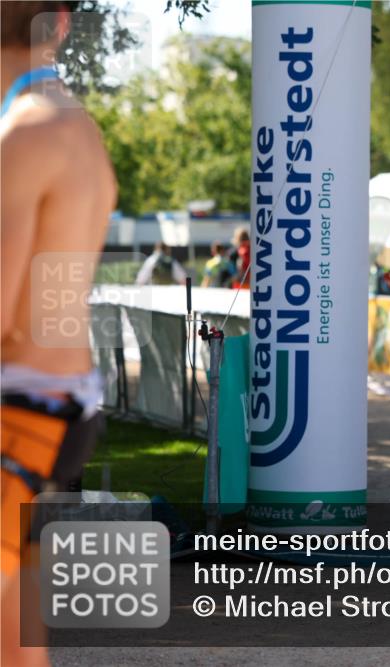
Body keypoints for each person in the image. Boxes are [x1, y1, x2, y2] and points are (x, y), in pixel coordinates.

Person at [2, 2, 116, 664]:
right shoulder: (73, 125)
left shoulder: (27, 134)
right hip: (56, 404)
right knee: (17, 635)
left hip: (21, 411)